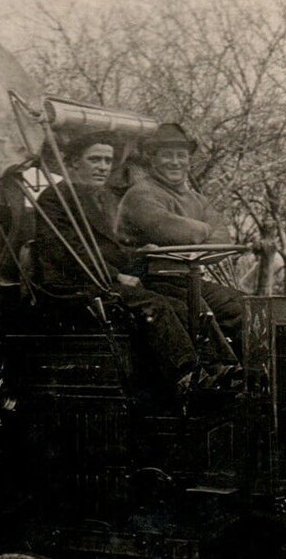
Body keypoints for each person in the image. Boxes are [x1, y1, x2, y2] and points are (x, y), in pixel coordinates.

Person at [28, 131, 208, 391]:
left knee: (180, 302)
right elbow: (66, 252)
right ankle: (188, 378)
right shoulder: (55, 198)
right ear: (74, 163)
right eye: (95, 159)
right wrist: (115, 276)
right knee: (153, 304)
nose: (103, 167)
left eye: (107, 160)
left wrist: (139, 255)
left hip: (99, 281)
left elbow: (109, 250)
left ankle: (213, 370)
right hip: (69, 286)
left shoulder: (101, 200)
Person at [118, 123, 246, 341]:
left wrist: (199, 233)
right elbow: (168, 228)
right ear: (152, 158)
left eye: (181, 155)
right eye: (167, 155)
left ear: (189, 159)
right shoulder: (141, 194)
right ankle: (212, 370)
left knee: (246, 307)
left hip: (188, 279)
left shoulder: (196, 199)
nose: (175, 162)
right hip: (151, 282)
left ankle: (253, 369)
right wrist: (206, 229)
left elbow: (223, 241)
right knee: (201, 315)